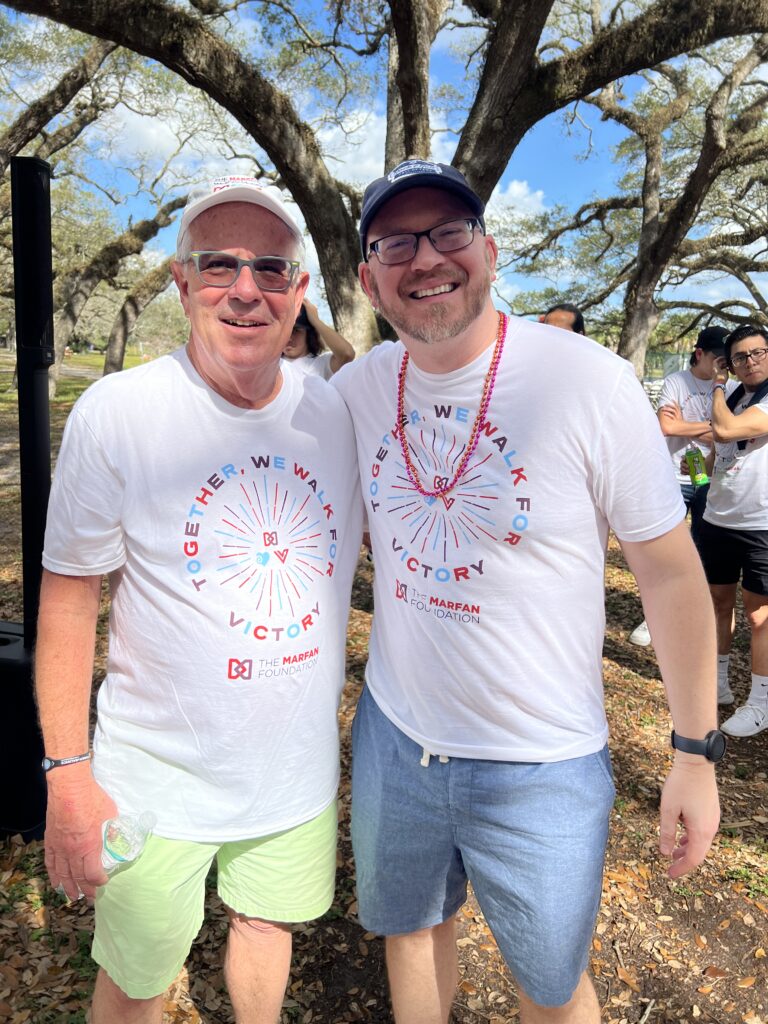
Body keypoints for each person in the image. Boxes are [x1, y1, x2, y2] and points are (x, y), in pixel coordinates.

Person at [332, 159, 722, 1024]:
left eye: (449, 232)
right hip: (397, 740)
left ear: (489, 249)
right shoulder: (354, 393)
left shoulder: (588, 381)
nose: (426, 257)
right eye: (396, 241)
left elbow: (667, 571)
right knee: (412, 934)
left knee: (549, 988)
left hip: (543, 760)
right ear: (369, 276)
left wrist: (695, 752)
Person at [36, 175, 362, 1024]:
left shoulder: (339, 415)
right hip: (155, 779)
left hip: (293, 771)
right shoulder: (119, 413)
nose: (245, 289)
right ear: (181, 282)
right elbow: (69, 602)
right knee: (138, 979)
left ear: (298, 293)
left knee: (266, 926)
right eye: (219, 265)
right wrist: (69, 778)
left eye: (270, 268)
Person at [629, 326, 735, 655]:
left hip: (707, 478)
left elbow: (728, 433)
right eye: (718, 359)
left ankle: (692, 617)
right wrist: (713, 428)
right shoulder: (677, 381)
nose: (722, 367)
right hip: (672, 475)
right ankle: (654, 617)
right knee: (665, 550)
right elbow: (666, 426)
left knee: (702, 551)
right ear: (699, 353)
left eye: (726, 362)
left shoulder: (729, 387)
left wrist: (698, 427)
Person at [699, 325, 768, 737]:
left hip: (761, 524)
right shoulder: (737, 397)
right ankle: (718, 682)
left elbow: (725, 430)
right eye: (740, 356)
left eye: (758, 352)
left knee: (760, 617)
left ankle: (760, 703)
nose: (750, 361)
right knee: (717, 602)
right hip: (718, 519)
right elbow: (719, 447)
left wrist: (719, 385)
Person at [282, 297, 355, 379]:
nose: (288, 338)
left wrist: (316, 321)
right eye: (283, 331)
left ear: (309, 334)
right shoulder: (270, 365)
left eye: (295, 331)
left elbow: (347, 354)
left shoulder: (321, 364)